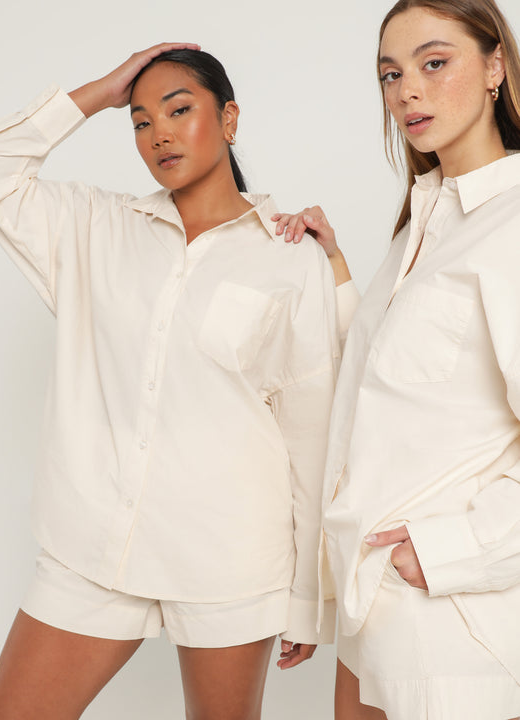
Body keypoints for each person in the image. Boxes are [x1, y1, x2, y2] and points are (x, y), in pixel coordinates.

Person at [0, 44, 354, 720]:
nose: (159, 134)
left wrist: (307, 598)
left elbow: (311, 433)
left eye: (179, 110)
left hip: (228, 561)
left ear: (229, 118)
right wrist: (100, 92)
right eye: (141, 121)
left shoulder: (290, 258)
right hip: (90, 551)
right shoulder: (95, 228)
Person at [275, 0, 520, 717]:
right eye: (390, 74)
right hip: (373, 607)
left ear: (496, 67)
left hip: (456, 623)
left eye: (434, 63)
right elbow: (388, 387)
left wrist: (453, 548)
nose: (408, 90)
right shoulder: (423, 221)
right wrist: (336, 269)